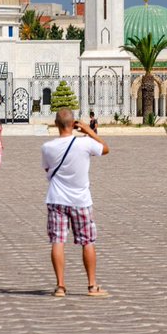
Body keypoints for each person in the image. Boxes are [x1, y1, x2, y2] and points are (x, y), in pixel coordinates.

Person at [42, 108, 110, 298]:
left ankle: (60, 286)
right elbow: (105, 149)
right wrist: (89, 130)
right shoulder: (85, 143)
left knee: (57, 241)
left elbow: (47, 169)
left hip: (56, 199)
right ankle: (92, 286)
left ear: (56, 125)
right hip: (81, 200)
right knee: (87, 242)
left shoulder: (47, 147)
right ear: (74, 124)